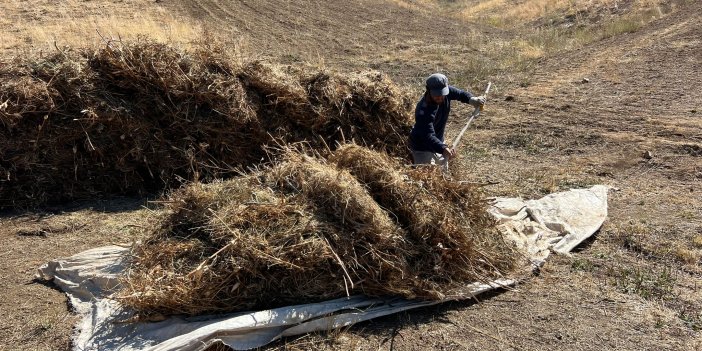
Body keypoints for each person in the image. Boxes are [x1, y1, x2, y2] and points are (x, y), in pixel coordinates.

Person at [409, 73, 485, 170]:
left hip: (438, 141)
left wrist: (472, 99)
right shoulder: (423, 111)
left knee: (443, 174)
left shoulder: (446, 92)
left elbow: (460, 94)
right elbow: (428, 135)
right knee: (426, 176)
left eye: (442, 94)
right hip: (422, 146)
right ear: (428, 91)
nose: (440, 97)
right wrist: (443, 148)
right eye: (436, 95)